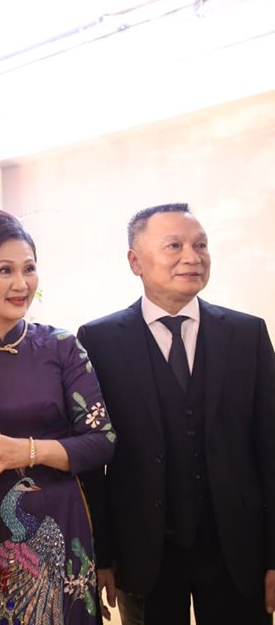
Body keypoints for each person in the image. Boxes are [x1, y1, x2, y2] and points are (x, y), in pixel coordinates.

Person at [77, 203, 275, 624]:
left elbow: (270, 448)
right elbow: (94, 459)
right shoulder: (98, 340)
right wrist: (102, 555)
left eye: (201, 245)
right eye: (174, 246)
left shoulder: (247, 334)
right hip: (144, 550)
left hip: (239, 545)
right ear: (135, 261)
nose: (192, 256)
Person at [0, 210, 115, 624]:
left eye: (29, 269)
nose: (21, 284)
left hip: (61, 520)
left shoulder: (61, 346)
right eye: (5, 270)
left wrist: (24, 452)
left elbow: (102, 440)